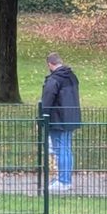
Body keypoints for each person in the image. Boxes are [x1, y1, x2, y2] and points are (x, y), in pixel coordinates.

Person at [41, 52, 81, 192]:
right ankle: (65, 179)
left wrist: (42, 117)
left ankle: (63, 181)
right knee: (66, 149)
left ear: (50, 64)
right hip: (70, 117)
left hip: (57, 119)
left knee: (60, 149)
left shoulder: (54, 80)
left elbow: (47, 100)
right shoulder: (71, 77)